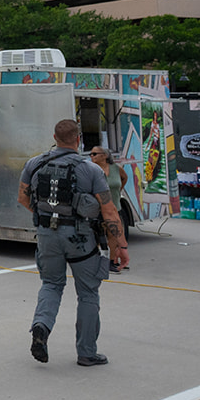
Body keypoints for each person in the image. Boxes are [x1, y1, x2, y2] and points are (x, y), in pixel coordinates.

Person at [18, 119, 127, 367]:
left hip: (47, 236)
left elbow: (22, 198)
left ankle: (41, 327)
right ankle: (87, 352)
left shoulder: (34, 164)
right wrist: (119, 248)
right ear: (78, 139)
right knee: (88, 293)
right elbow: (109, 212)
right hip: (80, 239)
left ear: (54, 137)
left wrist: (46, 215)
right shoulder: (91, 170)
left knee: (51, 285)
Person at [88, 146, 130, 272]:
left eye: (94, 154)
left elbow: (124, 178)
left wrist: (117, 191)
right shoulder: (91, 170)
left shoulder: (116, 169)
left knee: (113, 235)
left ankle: (111, 261)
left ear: (105, 156)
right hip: (96, 209)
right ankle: (96, 261)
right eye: (90, 154)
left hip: (115, 207)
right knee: (96, 235)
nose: (91, 156)